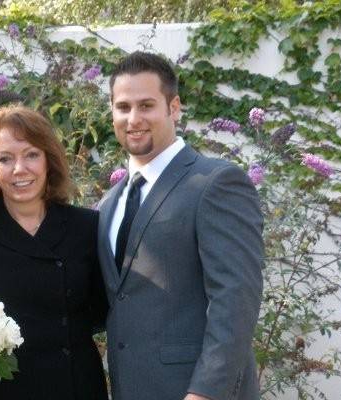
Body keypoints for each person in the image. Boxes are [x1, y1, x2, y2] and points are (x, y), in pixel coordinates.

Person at [98, 51, 264, 400]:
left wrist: (205, 392)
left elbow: (236, 297)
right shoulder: (108, 204)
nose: (133, 118)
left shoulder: (215, 182)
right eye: (123, 107)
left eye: (146, 105)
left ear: (174, 108)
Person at [0, 104, 108, 400]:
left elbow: (108, 308)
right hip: (4, 392)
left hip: (76, 387)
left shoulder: (86, 227)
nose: (19, 169)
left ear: (49, 161)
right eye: (5, 159)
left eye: (31, 155)